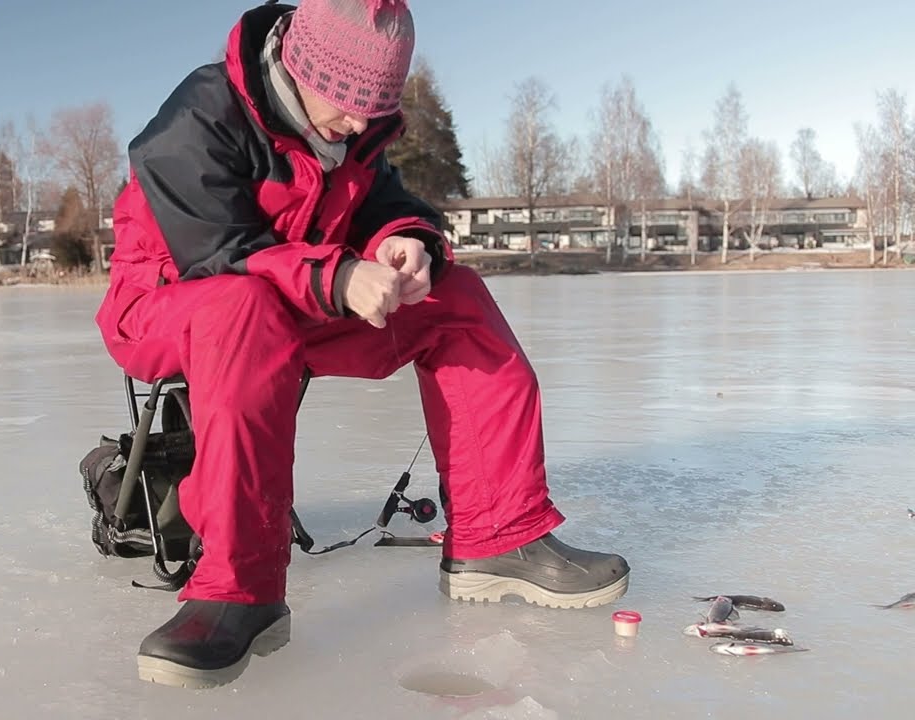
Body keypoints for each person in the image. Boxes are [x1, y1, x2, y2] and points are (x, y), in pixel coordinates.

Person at [94, 0, 630, 689]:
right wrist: (339, 276)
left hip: (296, 298)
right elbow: (214, 252)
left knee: (456, 299)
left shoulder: (355, 132)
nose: (357, 124)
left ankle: (499, 536)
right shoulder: (199, 117)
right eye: (348, 105)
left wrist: (405, 242)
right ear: (302, 66)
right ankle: (237, 592)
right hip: (168, 302)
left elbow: (387, 203)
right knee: (241, 306)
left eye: (375, 109)